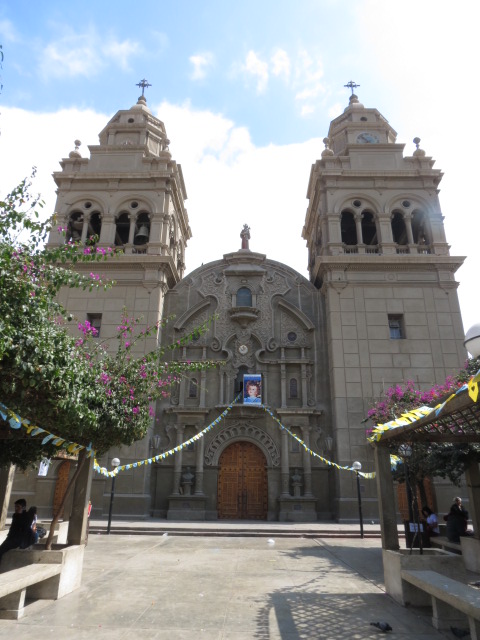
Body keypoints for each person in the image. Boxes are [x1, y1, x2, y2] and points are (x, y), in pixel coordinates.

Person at [0, 499, 37, 564]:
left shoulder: (27, 516)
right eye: (15, 506)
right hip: (13, 538)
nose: (16, 508)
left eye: (18, 507)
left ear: (23, 508)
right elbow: (12, 529)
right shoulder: (15, 515)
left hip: (22, 540)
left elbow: (24, 527)